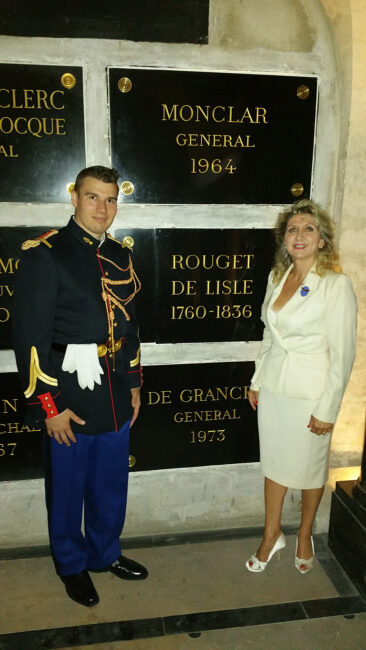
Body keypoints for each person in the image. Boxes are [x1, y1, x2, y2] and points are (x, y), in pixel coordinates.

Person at [12, 165, 147, 607]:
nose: (102, 208)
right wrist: (49, 406)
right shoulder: (45, 254)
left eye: (110, 200)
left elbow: (128, 329)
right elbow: (29, 339)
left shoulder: (120, 256)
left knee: (111, 483)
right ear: (74, 198)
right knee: (69, 487)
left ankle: (105, 553)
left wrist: (132, 386)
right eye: (93, 197)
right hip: (67, 392)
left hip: (112, 391)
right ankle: (71, 563)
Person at [246, 199, 357, 574]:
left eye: (308, 228)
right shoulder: (276, 278)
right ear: (284, 239)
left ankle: (305, 533)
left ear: (322, 240)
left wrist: (328, 409)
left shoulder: (335, 285)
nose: (299, 235)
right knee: (275, 466)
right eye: (292, 229)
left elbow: (343, 355)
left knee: (310, 471)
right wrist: (258, 379)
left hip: (312, 394)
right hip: (276, 388)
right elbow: (268, 335)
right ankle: (271, 533)